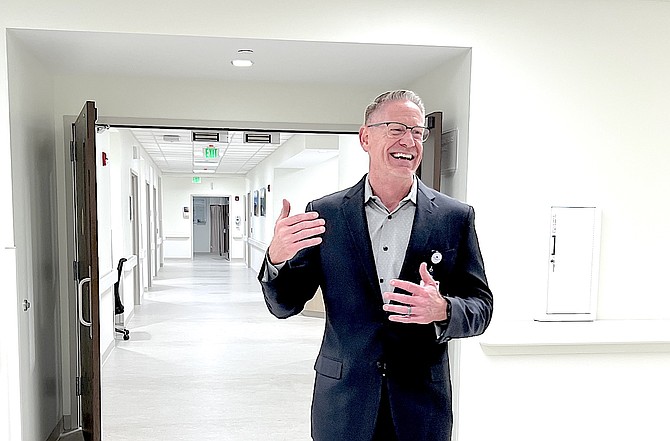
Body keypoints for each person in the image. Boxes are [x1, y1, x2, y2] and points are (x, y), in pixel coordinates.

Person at [258, 90, 493, 441]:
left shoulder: (453, 217)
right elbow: (284, 305)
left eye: (417, 132)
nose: (409, 141)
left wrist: (443, 309)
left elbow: (481, 308)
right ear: (365, 137)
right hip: (343, 401)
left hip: (421, 405)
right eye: (397, 129)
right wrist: (277, 258)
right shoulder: (327, 214)